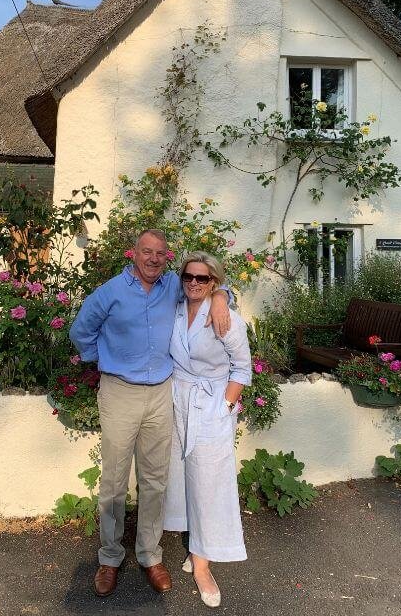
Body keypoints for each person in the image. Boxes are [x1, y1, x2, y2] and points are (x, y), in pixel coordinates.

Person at [69, 229, 231, 597]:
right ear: (134, 254)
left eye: (161, 253)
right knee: (113, 481)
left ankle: (149, 554)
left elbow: (207, 282)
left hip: (161, 392)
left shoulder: (174, 284)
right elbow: (81, 332)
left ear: (167, 257)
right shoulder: (110, 291)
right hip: (119, 392)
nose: (154, 259)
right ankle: (109, 558)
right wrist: (104, 359)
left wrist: (220, 297)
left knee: (155, 479)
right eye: (147, 252)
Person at [163, 251, 251, 608]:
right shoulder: (176, 308)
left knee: (210, 484)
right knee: (183, 478)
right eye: (189, 277)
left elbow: (242, 369)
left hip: (211, 404)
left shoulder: (227, 317)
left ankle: (203, 566)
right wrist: (219, 293)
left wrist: (224, 408)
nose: (194, 283)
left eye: (204, 279)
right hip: (176, 401)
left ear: (214, 282)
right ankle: (195, 543)